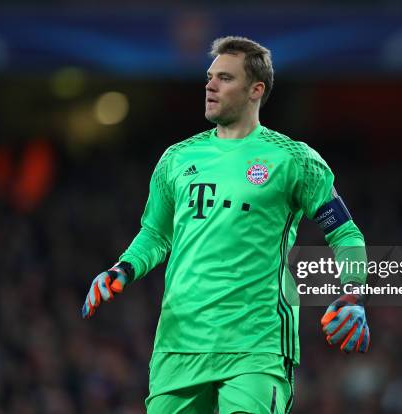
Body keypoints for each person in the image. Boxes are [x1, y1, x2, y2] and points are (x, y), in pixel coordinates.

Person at [82, 36, 370, 414]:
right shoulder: (177, 159)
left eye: (224, 78)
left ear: (256, 90)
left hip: (256, 346)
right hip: (179, 343)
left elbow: (344, 232)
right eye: (209, 76)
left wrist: (352, 292)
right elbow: (156, 234)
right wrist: (124, 268)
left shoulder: (293, 160)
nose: (210, 85)